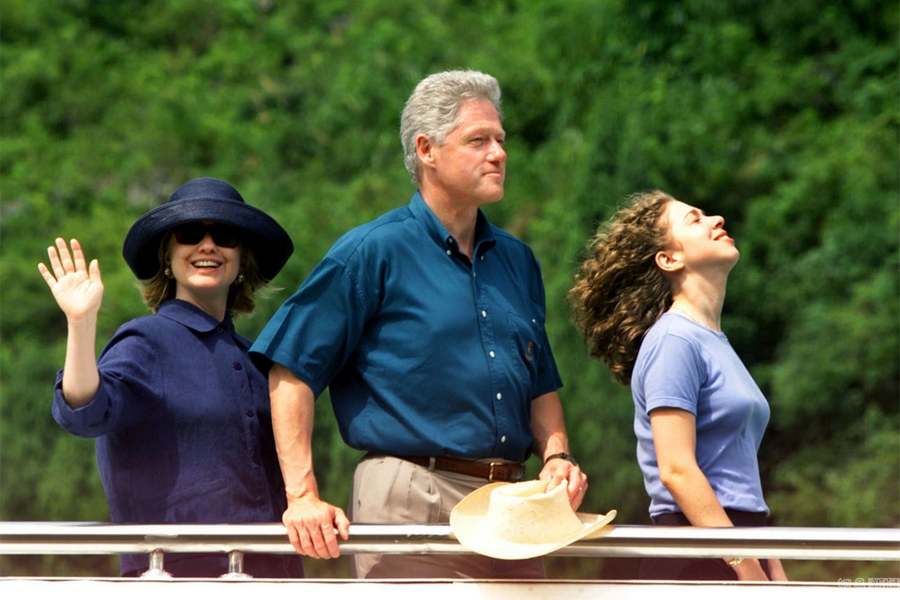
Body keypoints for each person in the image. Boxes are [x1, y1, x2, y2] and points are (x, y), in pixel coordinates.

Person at [251, 70, 587, 579]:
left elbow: (538, 383)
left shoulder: (517, 260)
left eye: (501, 140)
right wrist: (302, 497)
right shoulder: (373, 251)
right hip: (411, 496)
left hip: (515, 507)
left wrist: (557, 456)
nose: (498, 153)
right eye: (478, 140)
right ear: (427, 149)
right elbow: (291, 371)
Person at [41, 177, 303, 578]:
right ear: (167, 256)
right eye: (190, 233)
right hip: (173, 577)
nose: (208, 245)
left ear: (242, 260)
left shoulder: (258, 360)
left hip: (271, 576)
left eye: (226, 235)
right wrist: (81, 323)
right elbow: (85, 410)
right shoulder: (147, 340)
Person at [569, 190, 788, 581]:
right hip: (701, 552)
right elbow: (676, 469)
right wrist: (745, 566)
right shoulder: (674, 341)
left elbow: (740, 483)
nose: (716, 219)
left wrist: (772, 566)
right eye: (695, 219)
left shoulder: (712, 341)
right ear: (669, 259)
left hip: (739, 538)